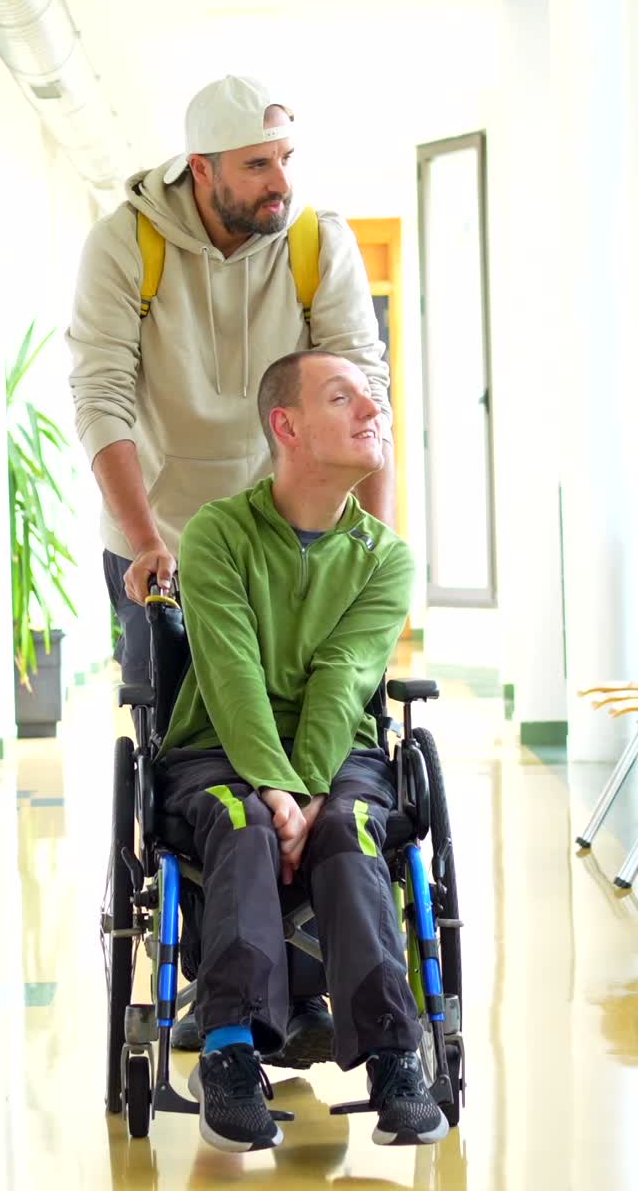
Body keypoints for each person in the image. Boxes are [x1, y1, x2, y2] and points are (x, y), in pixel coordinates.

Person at [66, 74, 394, 1055]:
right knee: (200, 763)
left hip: (286, 534)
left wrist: (365, 548)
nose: (279, 181)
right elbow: (102, 394)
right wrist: (146, 536)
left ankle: (306, 975)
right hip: (162, 541)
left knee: (311, 733)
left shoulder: (315, 244)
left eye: (285, 159)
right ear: (202, 170)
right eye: (258, 165)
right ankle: (228, 984)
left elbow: (364, 390)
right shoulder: (128, 244)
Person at [156, 349, 449, 1153]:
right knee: (241, 820)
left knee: (350, 828)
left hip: (341, 754)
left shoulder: (383, 557)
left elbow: (343, 676)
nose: (374, 411)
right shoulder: (218, 534)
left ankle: (394, 1057)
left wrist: (310, 790)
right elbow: (231, 671)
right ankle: (228, 1054)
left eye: (374, 398)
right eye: (344, 397)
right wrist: (277, 790)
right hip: (217, 744)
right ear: (286, 426)